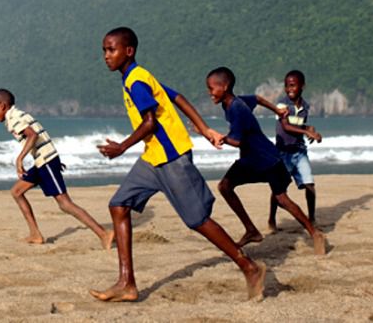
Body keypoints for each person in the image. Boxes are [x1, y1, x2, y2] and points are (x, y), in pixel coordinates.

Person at [91, 27, 267, 303]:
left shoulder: (137, 81)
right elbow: (177, 97)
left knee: (197, 220)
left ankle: (249, 266)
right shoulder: (138, 76)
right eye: (104, 50)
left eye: (111, 49)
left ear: (129, 51)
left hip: (171, 157)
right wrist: (205, 128)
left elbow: (149, 122)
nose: (105, 55)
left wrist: (121, 147)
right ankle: (127, 283)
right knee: (119, 205)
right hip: (153, 157)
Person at [207, 67, 327, 255]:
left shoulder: (237, 108)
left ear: (225, 86)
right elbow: (257, 99)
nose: (210, 93)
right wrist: (277, 111)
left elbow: (237, 141)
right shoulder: (233, 102)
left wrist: (212, 135)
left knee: (230, 187)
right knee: (279, 198)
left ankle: (308, 232)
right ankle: (310, 232)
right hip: (266, 157)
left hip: (261, 159)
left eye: (212, 88)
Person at [0, 88, 113, 248]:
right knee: (17, 192)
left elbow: (33, 135)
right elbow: (40, 134)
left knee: (65, 203)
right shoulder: (18, 114)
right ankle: (35, 234)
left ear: (2, 106)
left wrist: (20, 159)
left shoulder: (14, 119)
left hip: (46, 162)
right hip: (43, 162)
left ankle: (104, 233)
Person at [264, 69, 322, 231]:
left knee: (310, 184)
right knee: (279, 189)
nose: (289, 89)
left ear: (302, 86)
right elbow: (286, 126)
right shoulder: (282, 105)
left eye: (293, 85)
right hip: (283, 152)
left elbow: (299, 124)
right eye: (287, 86)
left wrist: (310, 128)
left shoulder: (305, 106)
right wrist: (306, 132)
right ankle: (271, 219)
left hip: (299, 151)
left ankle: (312, 219)